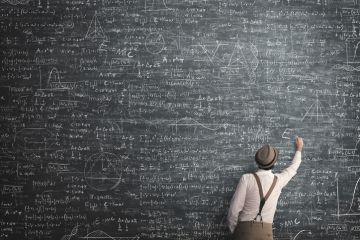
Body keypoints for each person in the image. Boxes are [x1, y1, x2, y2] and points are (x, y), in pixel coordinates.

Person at [227, 137, 304, 240]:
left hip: (243, 231)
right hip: (265, 233)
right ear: (274, 163)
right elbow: (293, 168)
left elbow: (234, 210)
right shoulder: (279, 181)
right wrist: (299, 149)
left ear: (257, 162)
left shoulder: (246, 179)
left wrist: (234, 230)